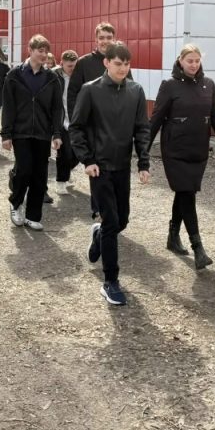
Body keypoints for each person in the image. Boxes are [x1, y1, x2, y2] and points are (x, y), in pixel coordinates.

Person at [69, 42, 150, 307]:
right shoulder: (90, 90)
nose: (123, 69)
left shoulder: (136, 91)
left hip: (122, 166)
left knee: (121, 220)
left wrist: (143, 163)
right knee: (112, 223)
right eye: (118, 63)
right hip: (99, 168)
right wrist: (87, 160)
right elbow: (77, 127)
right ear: (106, 62)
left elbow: (142, 128)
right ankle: (110, 282)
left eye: (127, 64)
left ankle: (98, 234)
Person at [148, 45, 215, 270]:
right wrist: (142, 151)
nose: (194, 65)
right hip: (175, 150)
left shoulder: (209, 85)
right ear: (180, 61)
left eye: (197, 60)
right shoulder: (169, 85)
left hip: (198, 150)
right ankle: (198, 248)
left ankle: (173, 236)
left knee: (184, 192)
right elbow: (156, 118)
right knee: (187, 194)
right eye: (190, 61)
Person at [1, 35, 64, 231]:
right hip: (21, 132)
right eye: (40, 51)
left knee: (40, 174)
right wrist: (6, 134)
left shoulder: (52, 78)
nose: (44, 55)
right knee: (24, 169)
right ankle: (16, 203)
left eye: (46, 51)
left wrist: (57, 133)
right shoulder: (14, 75)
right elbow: (8, 106)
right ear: (30, 50)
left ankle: (33, 215)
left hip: (43, 133)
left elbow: (57, 108)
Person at [67, 23, 131, 217]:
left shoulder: (121, 62)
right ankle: (99, 211)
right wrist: (76, 120)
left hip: (115, 128)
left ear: (114, 38)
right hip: (91, 127)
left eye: (109, 37)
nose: (105, 41)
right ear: (96, 39)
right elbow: (73, 94)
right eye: (101, 37)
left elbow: (129, 91)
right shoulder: (84, 63)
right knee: (96, 168)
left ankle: (109, 212)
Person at [52, 49, 79, 194]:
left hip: (77, 120)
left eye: (74, 66)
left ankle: (66, 172)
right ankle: (61, 181)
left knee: (79, 153)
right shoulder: (54, 75)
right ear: (62, 63)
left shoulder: (80, 76)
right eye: (69, 66)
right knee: (64, 153)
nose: (72, 69)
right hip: (61, 120)